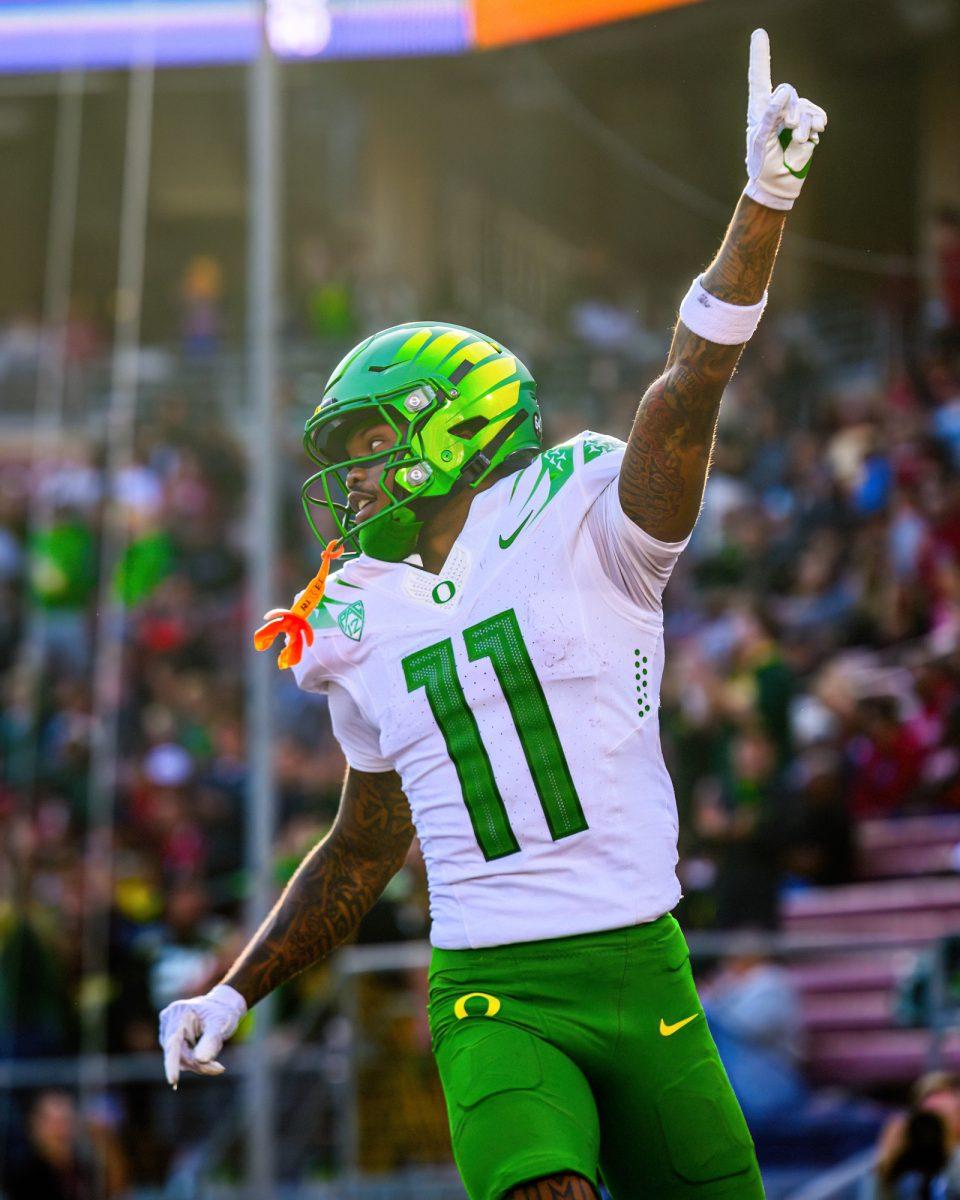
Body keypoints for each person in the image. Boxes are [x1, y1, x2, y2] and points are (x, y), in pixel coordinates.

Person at [159, 30, 827, 1200]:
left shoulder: (584, 511)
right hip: (489, 988)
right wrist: (232, 988)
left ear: (454, 424)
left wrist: (763, 200)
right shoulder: (354, 614)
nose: (353, 476)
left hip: (644, 966)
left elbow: (691, 381)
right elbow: (365, 847)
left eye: (372, 444)